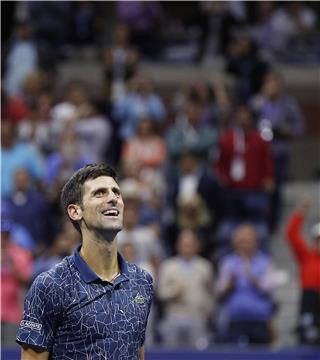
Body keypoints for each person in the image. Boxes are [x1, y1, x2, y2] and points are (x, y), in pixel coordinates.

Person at [16, 163, 154, 359]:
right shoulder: (50, 286)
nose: (113, 198)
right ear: (75, 211)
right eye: (100, 193)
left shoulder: (142, 282)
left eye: (116, 192)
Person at [215, 224, 276, 345]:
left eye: (247, 240)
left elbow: (269, 287)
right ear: (235, 242)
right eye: (241, 240)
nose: (244, 243)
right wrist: (231, 283)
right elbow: (219, 289)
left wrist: (252, 278)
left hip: (259, 319)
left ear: (255, 241)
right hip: (235, 319)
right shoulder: (228, 262)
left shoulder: (265, 262)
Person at [158, 229, 214, 348]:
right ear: (178, 246)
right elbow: (161, 293)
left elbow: (211, 293)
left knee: (198, 355)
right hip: (174, 316)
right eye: (184, 244)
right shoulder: (168, 266)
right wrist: (174, 292)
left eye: (190, 244)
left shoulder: (205, 267)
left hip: (197, 317)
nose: (187, 247)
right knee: (171, 354)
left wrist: (207, 312)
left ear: (197, 246)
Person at [286, 198, 320, 345]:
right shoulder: (307, 256)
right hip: (310, 299)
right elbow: (291, 234)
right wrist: (301, 212)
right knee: (307, 336)